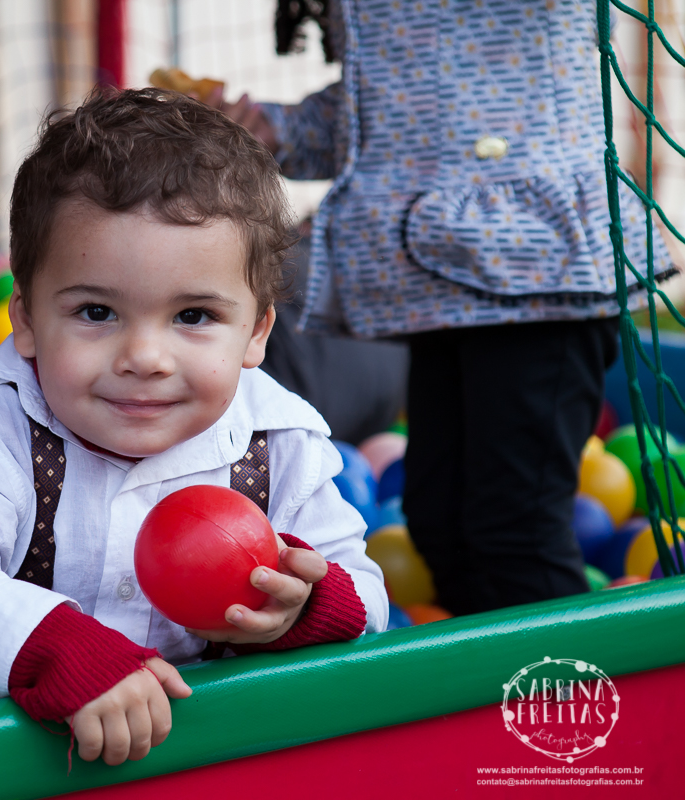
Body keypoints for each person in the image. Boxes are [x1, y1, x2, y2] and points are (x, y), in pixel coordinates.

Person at [0, 88, 388, 766]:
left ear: (255, 333)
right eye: (97, 313)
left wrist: (301, 608)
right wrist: (52, 646)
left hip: (178, 747)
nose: (144, 359)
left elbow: (365, 597)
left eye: (193, 316)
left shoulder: (279, 445)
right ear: (24, 317)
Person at [200, 0, 673, 616]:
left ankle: (560, 703)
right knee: (438, 516)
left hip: (536, 273)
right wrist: (277, 130)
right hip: (441, 289)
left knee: (515, 530)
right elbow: (395, 105)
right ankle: (485, 693)